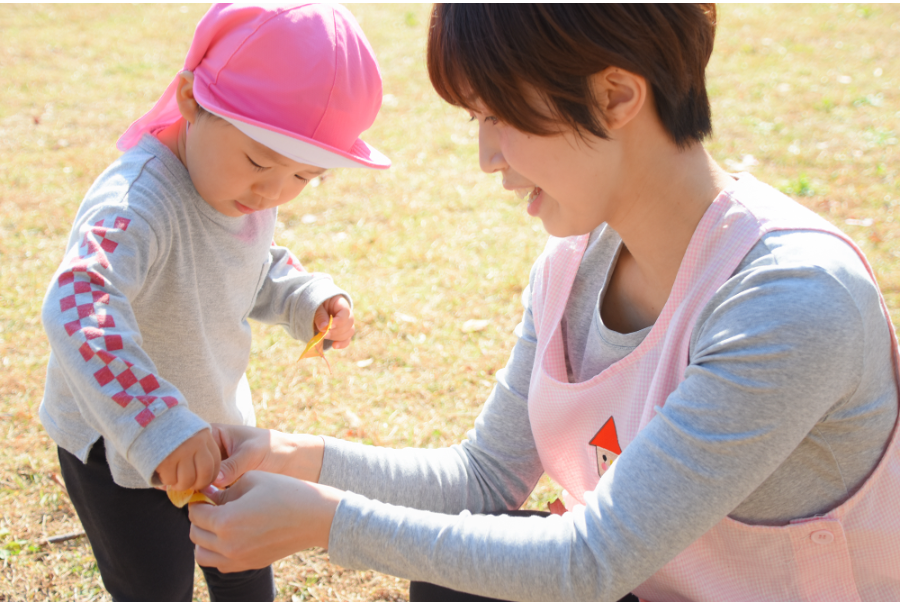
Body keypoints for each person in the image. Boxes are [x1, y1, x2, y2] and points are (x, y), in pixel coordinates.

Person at [188, 5, 899, 602]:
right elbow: (482, 479)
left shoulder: (790, 297)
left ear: (615, 96)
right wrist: (295, 457)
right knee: (463, 578)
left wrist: (326, 521)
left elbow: (589, 563)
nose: (486, 158)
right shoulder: (572, 263)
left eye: (498, 116)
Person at [39, 4, 389, 601]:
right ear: (191, 102)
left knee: (246, 569)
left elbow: (253, 262)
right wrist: (159, 426)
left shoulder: (239, 189)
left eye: (304, 177)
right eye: (259, 161)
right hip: (124, 451)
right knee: (156, 585)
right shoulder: (136, 202)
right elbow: (78, 304)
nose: (271, 193)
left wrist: (305, 295)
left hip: (218, 432)